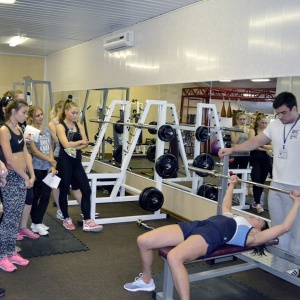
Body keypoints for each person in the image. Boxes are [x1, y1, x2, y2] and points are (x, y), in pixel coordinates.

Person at [124, 175, 300, 299]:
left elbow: (284, 226)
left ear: (260, 230)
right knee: (144, 240)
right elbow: (225, 205)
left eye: (260, 220)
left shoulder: (252, 236)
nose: (255, 216)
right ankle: (147, 280)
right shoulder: (234, 217)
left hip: (213, 236)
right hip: (198, 225)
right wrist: (232, 184)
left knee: (174, 257)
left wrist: (297, 202)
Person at [219, 91, 300, 272]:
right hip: (276, 185)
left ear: (294, 108)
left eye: (284, 113)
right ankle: (280, 267)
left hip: (297, 188)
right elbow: (255, 142)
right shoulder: (275, 125)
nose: (281, 117)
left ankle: (296, 268)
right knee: (278, 229)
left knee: (297, 232)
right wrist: (233, 149)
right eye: (278, 113)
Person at [56, 100, 102, 232]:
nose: (75, 115)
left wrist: (76, 144)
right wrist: (79, 143)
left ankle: (87, 220)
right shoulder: (60, 126)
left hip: (76, 160)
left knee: (86, 190)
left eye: (77, 113)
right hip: (64, 161)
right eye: (73, 112)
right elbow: (65, 145)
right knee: (64, 191)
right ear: (66, 112)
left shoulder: (79, 125)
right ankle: (66, 218)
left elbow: (86, 143)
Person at [0, 99, 35, 272]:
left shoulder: (19, 128)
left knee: (15, 219)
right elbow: (10, 160)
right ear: (13, 112)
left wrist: (32, 174)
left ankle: (10, 251)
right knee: (7, 219)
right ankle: (2, 256)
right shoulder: (4, 131)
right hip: (13, 177)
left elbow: (25, 154)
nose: (25, 115)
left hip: (23, 177)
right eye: (23, 112)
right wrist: (24, 177)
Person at [27, 106, 58, 236]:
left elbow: (50, 146)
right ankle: (36, 222)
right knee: (35, 197)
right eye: (37, 115)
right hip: (36, 167)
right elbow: (34, 151)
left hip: (47, 168)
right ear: (32, 117)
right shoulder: (29, 130)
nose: (41, 117)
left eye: (41, 114)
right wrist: (50, 160)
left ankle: (37, 222)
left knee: (46, 196)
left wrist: (52, 164)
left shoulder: (45, 130)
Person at [48, 100, 81, 221]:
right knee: (57, 185)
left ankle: (85, 208)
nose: (67, 112)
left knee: (75, 184)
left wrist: (71, 144)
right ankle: (60, 210)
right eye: (65, 109)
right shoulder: (53, 123)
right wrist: (72, 144)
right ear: (59, 110)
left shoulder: (69, 122)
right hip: (59, 155)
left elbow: (79, 139)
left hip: (71, 154)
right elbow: (59, 141)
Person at [248, 113, 272, 214]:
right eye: (262, 123)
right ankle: (258, 203)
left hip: (266, 159)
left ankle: (255, 201)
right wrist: (265, 148)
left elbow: (272, 146)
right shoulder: (253, 131)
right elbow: (252, 145)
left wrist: (262, 147)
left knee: (261, 182)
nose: (264, 125)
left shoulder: (268, 132)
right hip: (255, 158)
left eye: (266, 123)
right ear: (258, 122)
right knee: (256, 180)